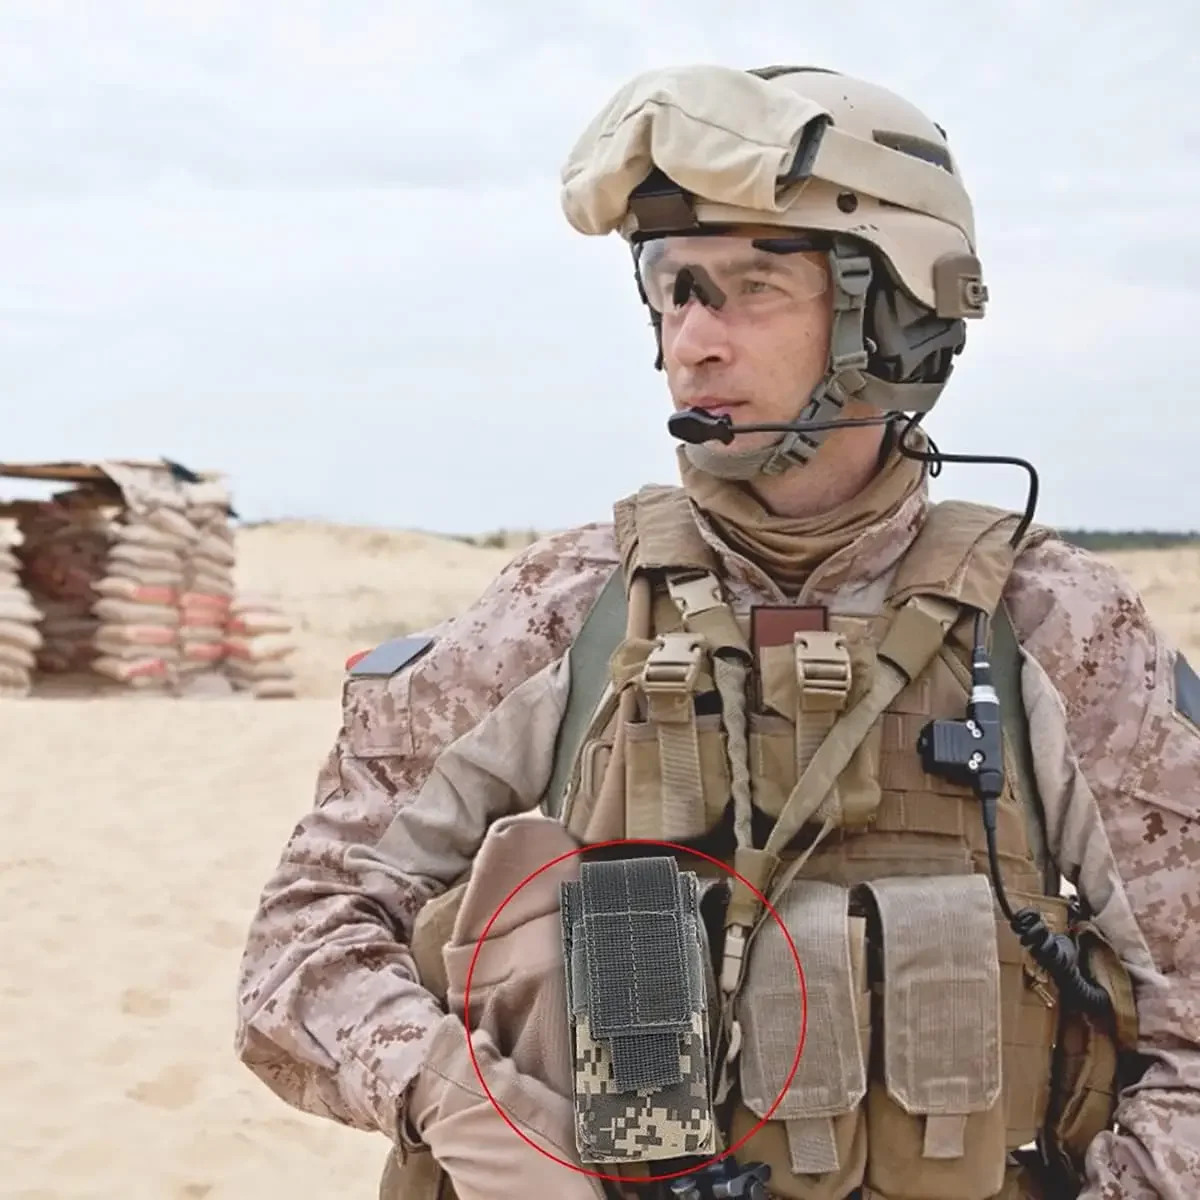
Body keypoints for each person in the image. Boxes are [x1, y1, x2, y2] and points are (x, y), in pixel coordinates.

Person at [234, 64, 1200, 1200]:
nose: (692, 339)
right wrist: (463, 1103)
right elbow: (301, 944)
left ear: (893, 317)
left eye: (751, 287)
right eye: (672, 289)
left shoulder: (1055, 626)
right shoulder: (564, 606)